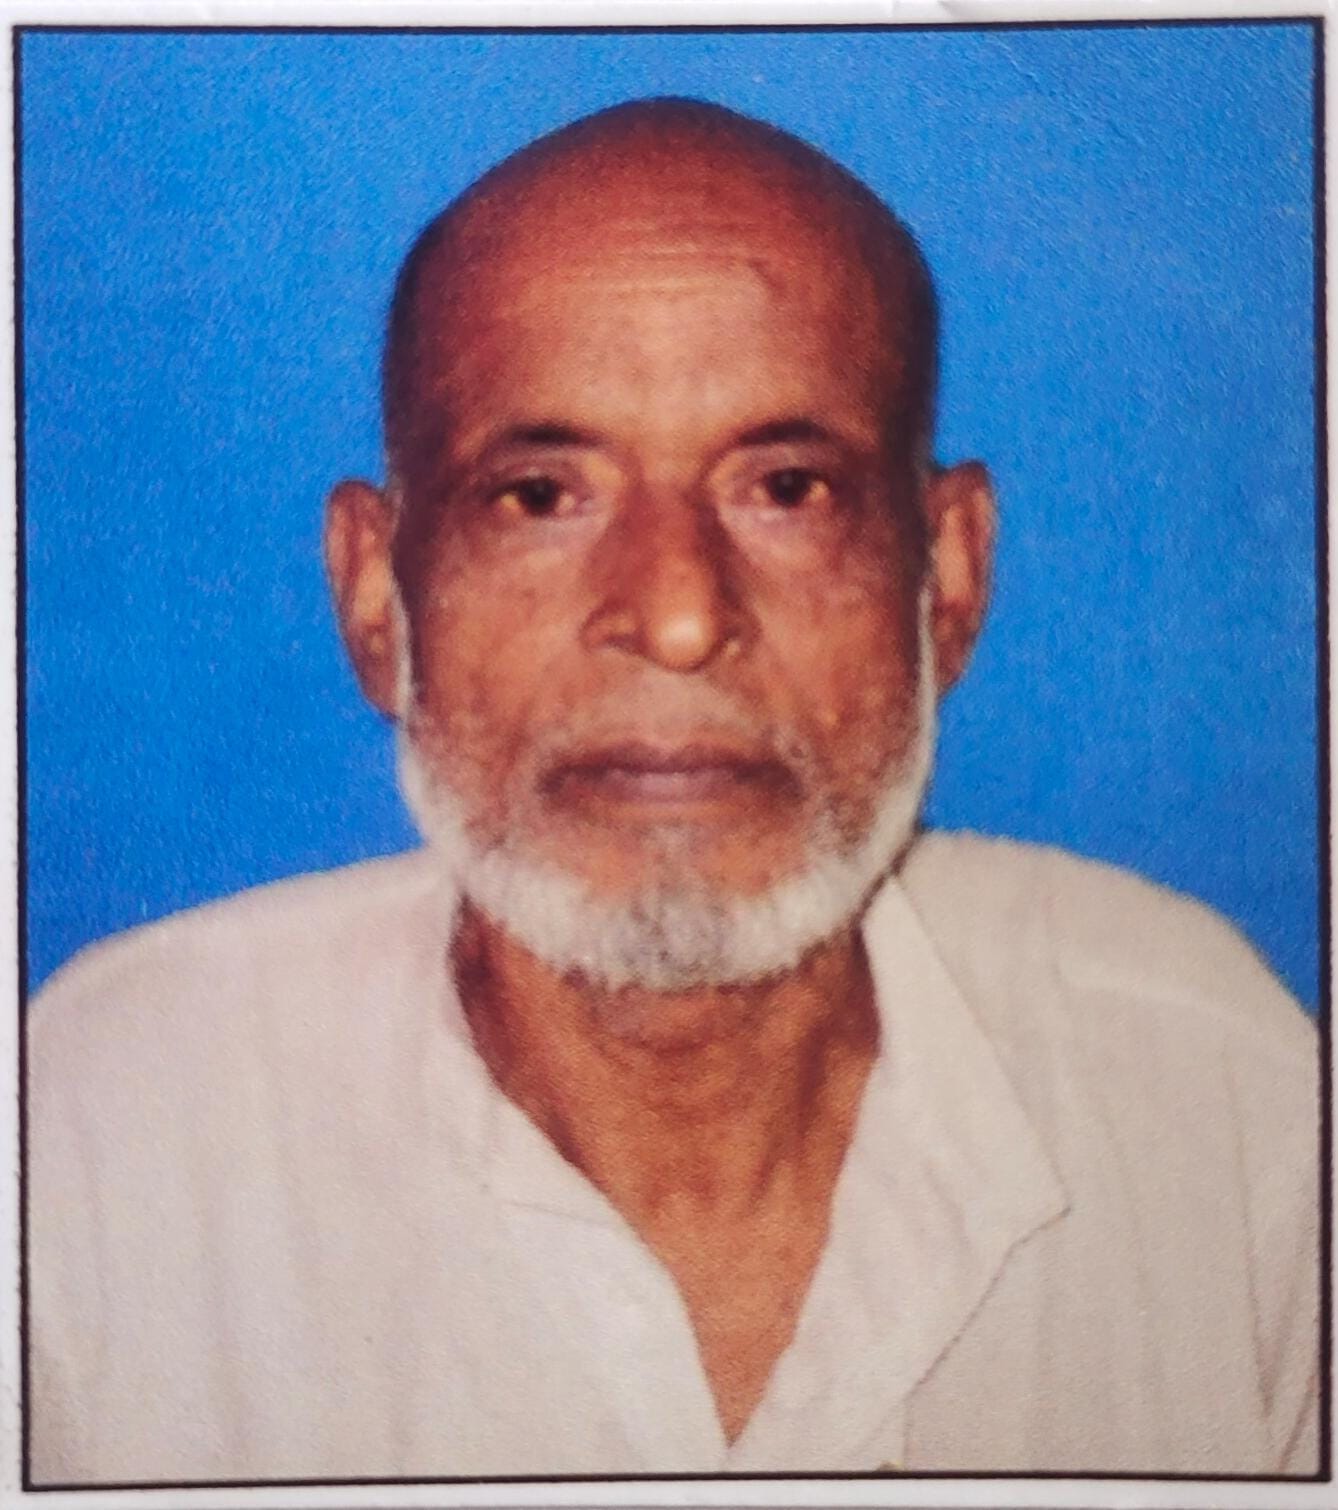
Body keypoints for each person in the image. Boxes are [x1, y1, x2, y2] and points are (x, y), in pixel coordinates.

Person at [27, 97, 1319, 1484]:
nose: (681, 617)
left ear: (946, 580)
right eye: (541, 495)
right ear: (377, 598)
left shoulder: (1208, 1095)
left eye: (786, 487)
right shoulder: (103, 1140)